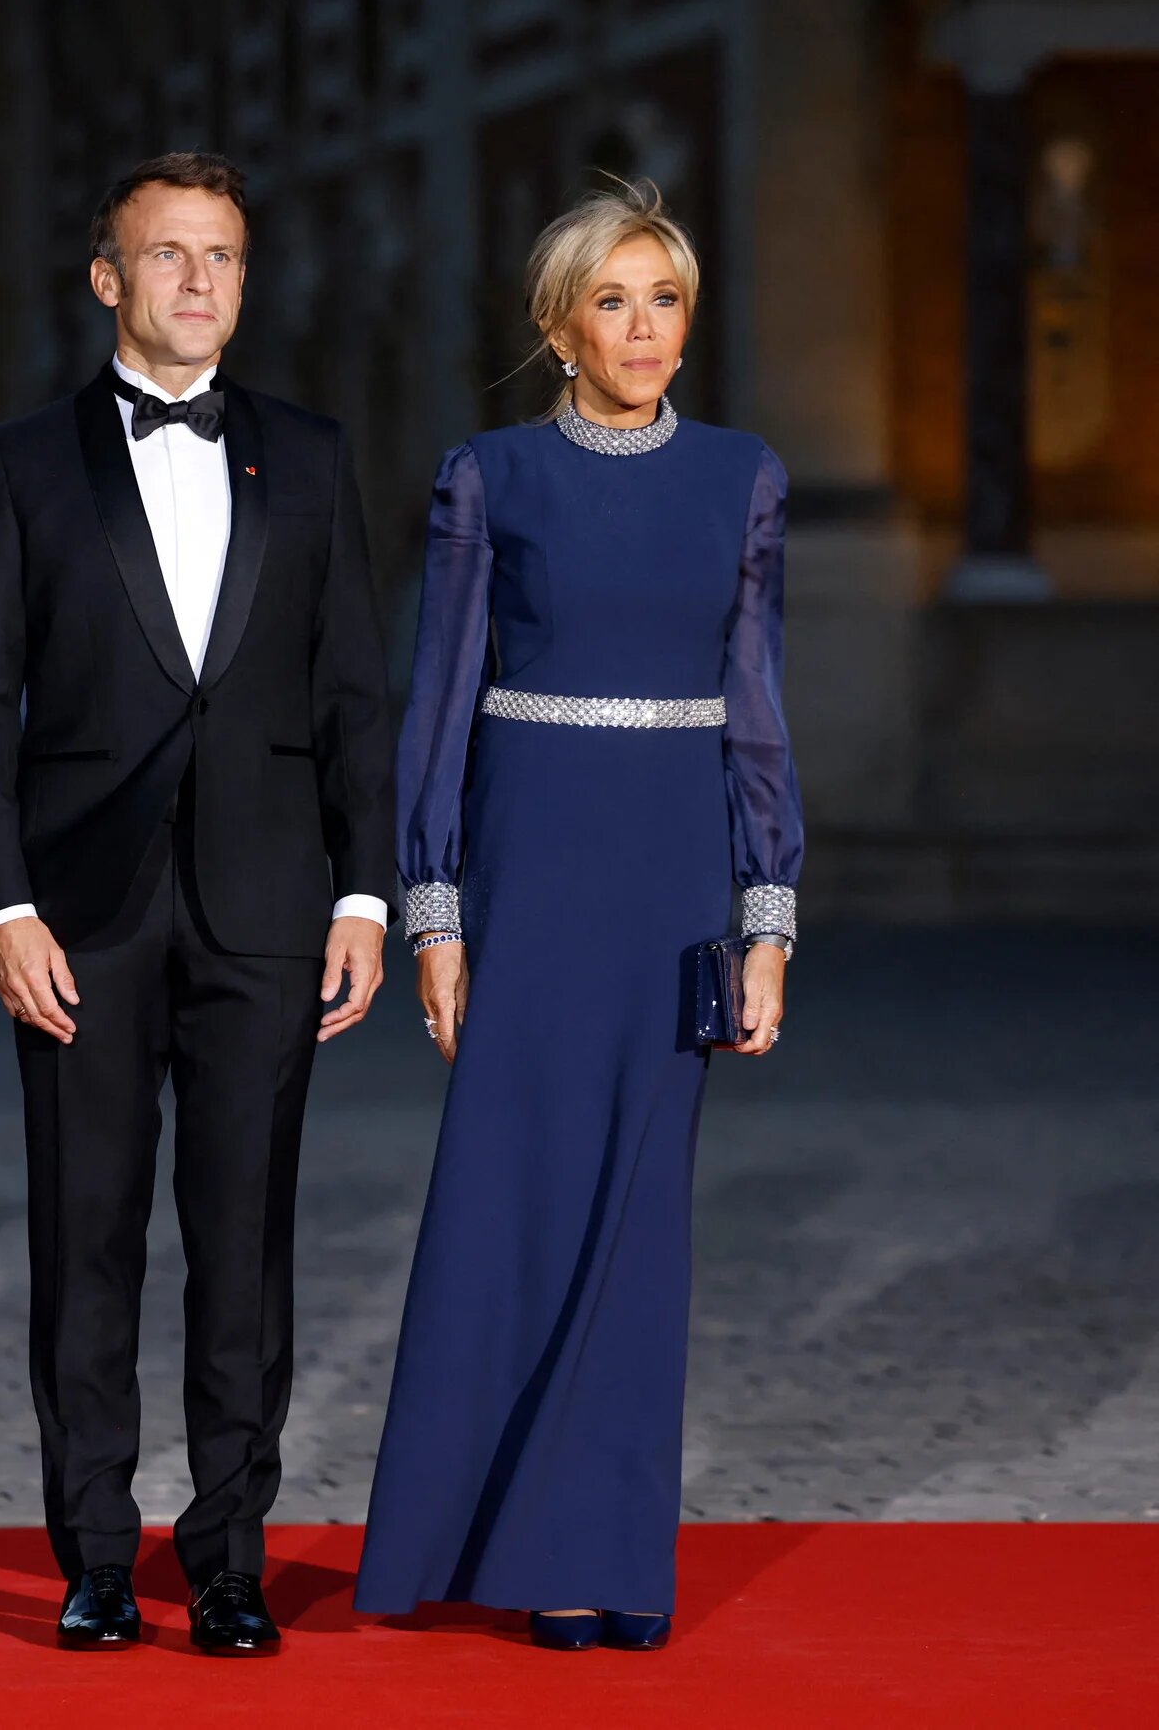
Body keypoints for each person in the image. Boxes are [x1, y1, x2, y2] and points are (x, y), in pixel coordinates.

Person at [0, 151, 396, 1655]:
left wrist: (369, 891)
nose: (199, 281)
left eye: (222, 257)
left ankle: (229, 1555)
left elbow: (354, 699)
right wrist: (1, 907)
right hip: (79, 916)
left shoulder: (314, 457)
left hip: (269, 910)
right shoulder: (17, 462)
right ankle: (90, 1552)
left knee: (245, 1242)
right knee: (87, 1241)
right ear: (107, 277)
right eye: (169, 253)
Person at [352, 179, 802, 1653]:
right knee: (510, 1200)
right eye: (611, 300)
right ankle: (502, 1544)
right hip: (530, 873)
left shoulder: (744, 476)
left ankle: (606, 1547)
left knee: (638, 1220)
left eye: (664, 297)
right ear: (560, 328)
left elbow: (755, 715)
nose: (644, 327)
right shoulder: (490, 477)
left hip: (671, 880)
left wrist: (769, 917)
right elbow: (438, 708)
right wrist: (435, 912)